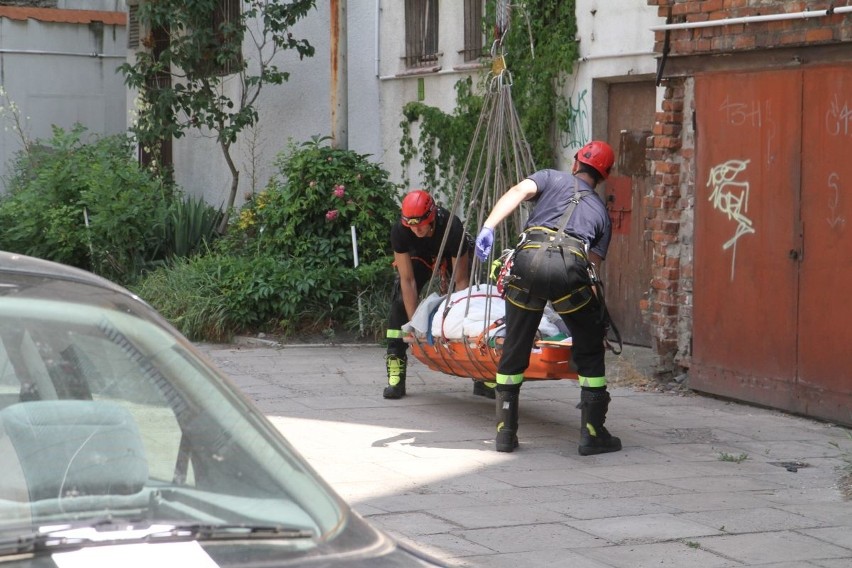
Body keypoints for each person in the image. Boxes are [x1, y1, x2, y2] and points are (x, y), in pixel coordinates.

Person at [473, 140, 622, 455]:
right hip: (570, 269)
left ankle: (505, 432)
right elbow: (591, 271)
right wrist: (600, 322)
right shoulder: (603, 216)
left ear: (575, 163)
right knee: (590, 350)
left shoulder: (549, 177)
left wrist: (488, 227)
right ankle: (593, 434)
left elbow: (516, 192)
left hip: (527, 261)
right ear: (603, 176)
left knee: (515, 345)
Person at [384, 189, 496, 400]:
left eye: (420, 224)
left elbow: (461, 280)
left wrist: (461, 322)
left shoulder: (451, 227)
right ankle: (396, 368)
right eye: (411, 225)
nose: (416, 229)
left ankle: (480, 375)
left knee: (472, 297)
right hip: (419, 257)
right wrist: (414, 326)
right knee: (399, 297)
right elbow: (408, 280)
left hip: (449, 255)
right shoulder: (401, 230)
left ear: (432, 217)